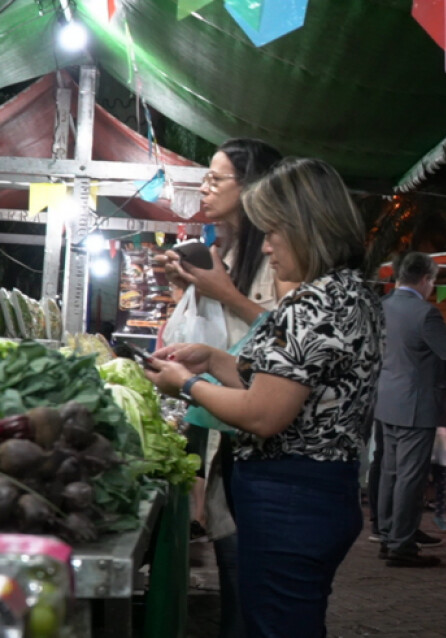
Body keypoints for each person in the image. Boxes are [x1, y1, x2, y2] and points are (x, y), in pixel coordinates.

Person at [146, 157, 383, 637]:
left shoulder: (311, 304)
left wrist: (187, 385)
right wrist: (212, 360)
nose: (268, 246)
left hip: (290, 497)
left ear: (307, 227)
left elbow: (263, 413)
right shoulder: (351, 292)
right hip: (322, 492)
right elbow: (286, 383)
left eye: (274, 231)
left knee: (276, 625)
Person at [158, 138, 288, 638]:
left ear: (253, 186)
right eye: (205, 177)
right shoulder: (220, 250)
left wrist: (222, 293)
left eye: (217, 178)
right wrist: (189, 286)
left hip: (255, 430)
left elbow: (288, 337)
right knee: (231, 559)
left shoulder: (278, 256)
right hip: (219, 420)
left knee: (246, 572)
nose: (205, 188)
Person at [375, 252, 446, 568]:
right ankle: (401, 543)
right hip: (416, 403)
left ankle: (388, 534)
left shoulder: (382, 307)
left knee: (390, 472)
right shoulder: (425, 314)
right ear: (426, 279)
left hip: (387, 400)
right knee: (410, 477)